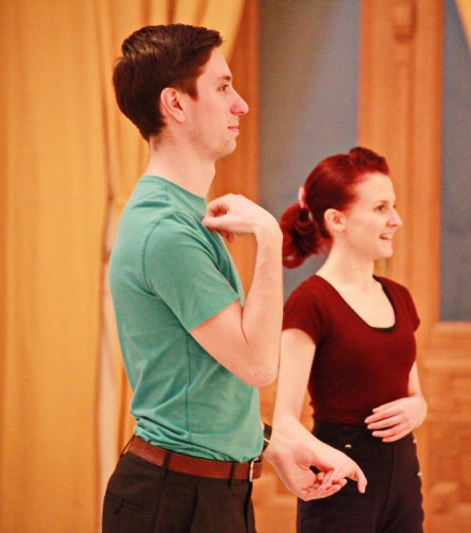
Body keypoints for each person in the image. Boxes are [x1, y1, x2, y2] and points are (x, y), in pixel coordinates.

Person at [103, 24, 365, 533]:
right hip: (174, 500)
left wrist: (273, 445)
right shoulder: (166, 230)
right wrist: (269, 236)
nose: (240, 104)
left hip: (206, 493)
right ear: (175, 104)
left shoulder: (182, 214)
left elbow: (200, 385)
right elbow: (258, 365)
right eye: (223, 87)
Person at [273, 147, 428, 533]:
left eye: (393, 207)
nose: (396, 220)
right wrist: (334, 460)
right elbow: (284, 420)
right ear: (337, 219)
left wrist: (419, 408)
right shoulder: (310, 302)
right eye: (380, 208)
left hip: (404, 483)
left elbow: (414, 394)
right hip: (339, 486)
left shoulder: (399, 296)